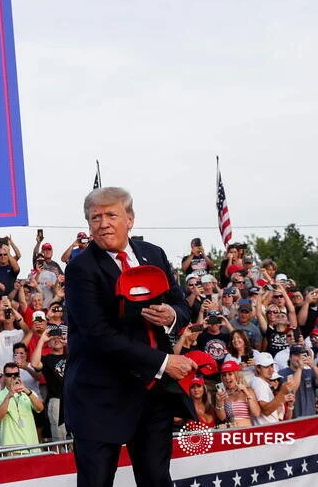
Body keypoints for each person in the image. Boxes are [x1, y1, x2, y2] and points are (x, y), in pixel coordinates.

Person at [64, 187, 195, 487]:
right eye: (95, 217)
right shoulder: (80, 269)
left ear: (130, 219)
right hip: (99, 397)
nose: (103, 223)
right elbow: (98, 335)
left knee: (157, 480)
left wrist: (171, 315)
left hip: (152, 395)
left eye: (111, 214)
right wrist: (164, 362)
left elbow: (182, 305)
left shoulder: (154, 254)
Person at [0, 362, 43, 447]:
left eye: (16, 374)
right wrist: (8, 396)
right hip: (11, 449)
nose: (12, 377)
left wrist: (26, 391)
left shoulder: (29, 392)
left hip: (32, 447)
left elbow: (40, 408)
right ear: (4, 377)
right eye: (9, 375)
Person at [31, 327, 68, 441]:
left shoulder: (72, 356)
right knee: (61, 439)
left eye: (59, 337)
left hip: (74, 400)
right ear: (49, 343)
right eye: (53, 338)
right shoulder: (47, 359)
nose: (57, 340)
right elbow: (35, 363)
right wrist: (42, 340)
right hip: (57, 400)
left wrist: (69, 342)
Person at [213, 360, 260, 427]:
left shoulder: (248, 390)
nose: (227, 378)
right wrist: (219, 402)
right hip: (232, 432)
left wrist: (246, 393)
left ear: (236, 375)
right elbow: (222, 418)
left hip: (247, 431)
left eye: (230, 374)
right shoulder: (222, 394)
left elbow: (257, 413)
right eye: (224, 375)